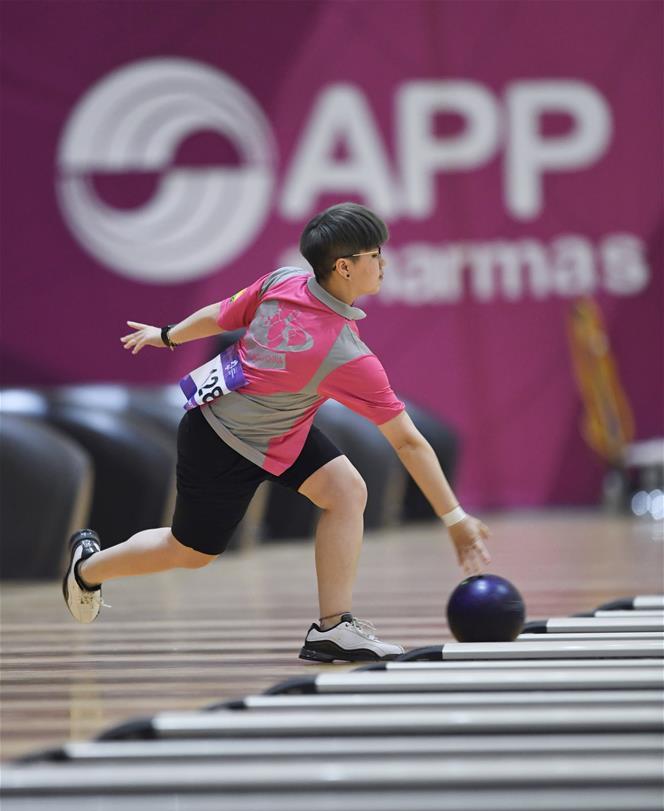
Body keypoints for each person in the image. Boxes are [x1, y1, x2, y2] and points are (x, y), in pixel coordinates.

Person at [63, 203, 490, 662]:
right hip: (220, 440)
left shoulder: (284, 279)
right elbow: (407, 441)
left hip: (282, 429)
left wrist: (168, 334)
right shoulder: (345, 354)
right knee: (191, 552)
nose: (384, 262)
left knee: (346, 491)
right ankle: (88, 567)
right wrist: (455, 519)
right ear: (344, 267)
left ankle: (333, 629)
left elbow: (222, 314)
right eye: (375, 253)